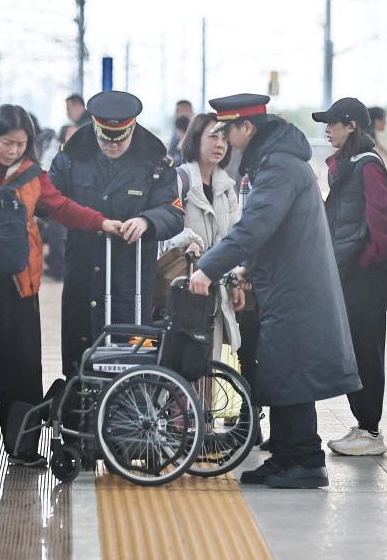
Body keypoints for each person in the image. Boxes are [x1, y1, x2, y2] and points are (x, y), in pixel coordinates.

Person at [189, 93, 360, 489]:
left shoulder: (279, 166)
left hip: (295, 288)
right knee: (282, 371)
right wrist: (250, 268)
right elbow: (275, 232)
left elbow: (254, 228)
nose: (225, 139)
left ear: (247, 127)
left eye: (228, 131)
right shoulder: (274, 161)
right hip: (285, 282)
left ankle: (306, 461)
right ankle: (285, 456)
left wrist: (207, 268)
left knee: (293, 374)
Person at [0, 105, 121, 471]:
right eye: (6, 143)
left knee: (23, 361)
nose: (13, 151)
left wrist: (101, 222)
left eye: (21, 144)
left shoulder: (32, 174)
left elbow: (62, 208)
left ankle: (22, 446)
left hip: (19, 277)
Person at [49, 91, 184, 376]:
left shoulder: (156, 165)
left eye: (120, 139)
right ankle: (78, 402)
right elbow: (49, 200)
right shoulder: (70, 158)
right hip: (83, 271)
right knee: (80, 354)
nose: (112, 145)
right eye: (105, 139)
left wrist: (147, 220)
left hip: (130, 278)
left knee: (129, 357)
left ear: (132, 128)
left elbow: (173, 213)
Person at [314, 98, 387, 456]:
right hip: (352, 271)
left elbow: (386, 223)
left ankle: (370, 430)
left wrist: (365, 260)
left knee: (366, 352)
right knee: (356, 350)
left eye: (332, 123)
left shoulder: (367, 166)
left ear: (351, 126)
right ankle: (364, 425)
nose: (327, 130)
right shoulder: (349, 166)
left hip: (364, 275)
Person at [160, 113, 243, 360]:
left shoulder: (227, 188)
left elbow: (235, 239)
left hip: (215, 296)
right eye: (213, 137)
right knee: (181, 367)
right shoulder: (179, 180)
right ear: (196, 139)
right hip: (183, 293)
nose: (220, 144)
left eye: (225, 139)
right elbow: (162, 237)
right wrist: (189, 240)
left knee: (207, 367)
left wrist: (236, 280)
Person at [46, 94, 92, 279]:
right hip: (78, 185)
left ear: (77, 106)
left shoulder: (85, 127)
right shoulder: (84, 124)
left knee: (60, 221)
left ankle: (60, 268)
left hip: (79, 185)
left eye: (68, 108)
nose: (67, 112)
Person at [367, 106, 387, 184]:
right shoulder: (371, 144)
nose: (386, 122)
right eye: (384, 119)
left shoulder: (378, 139)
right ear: (376, 121)